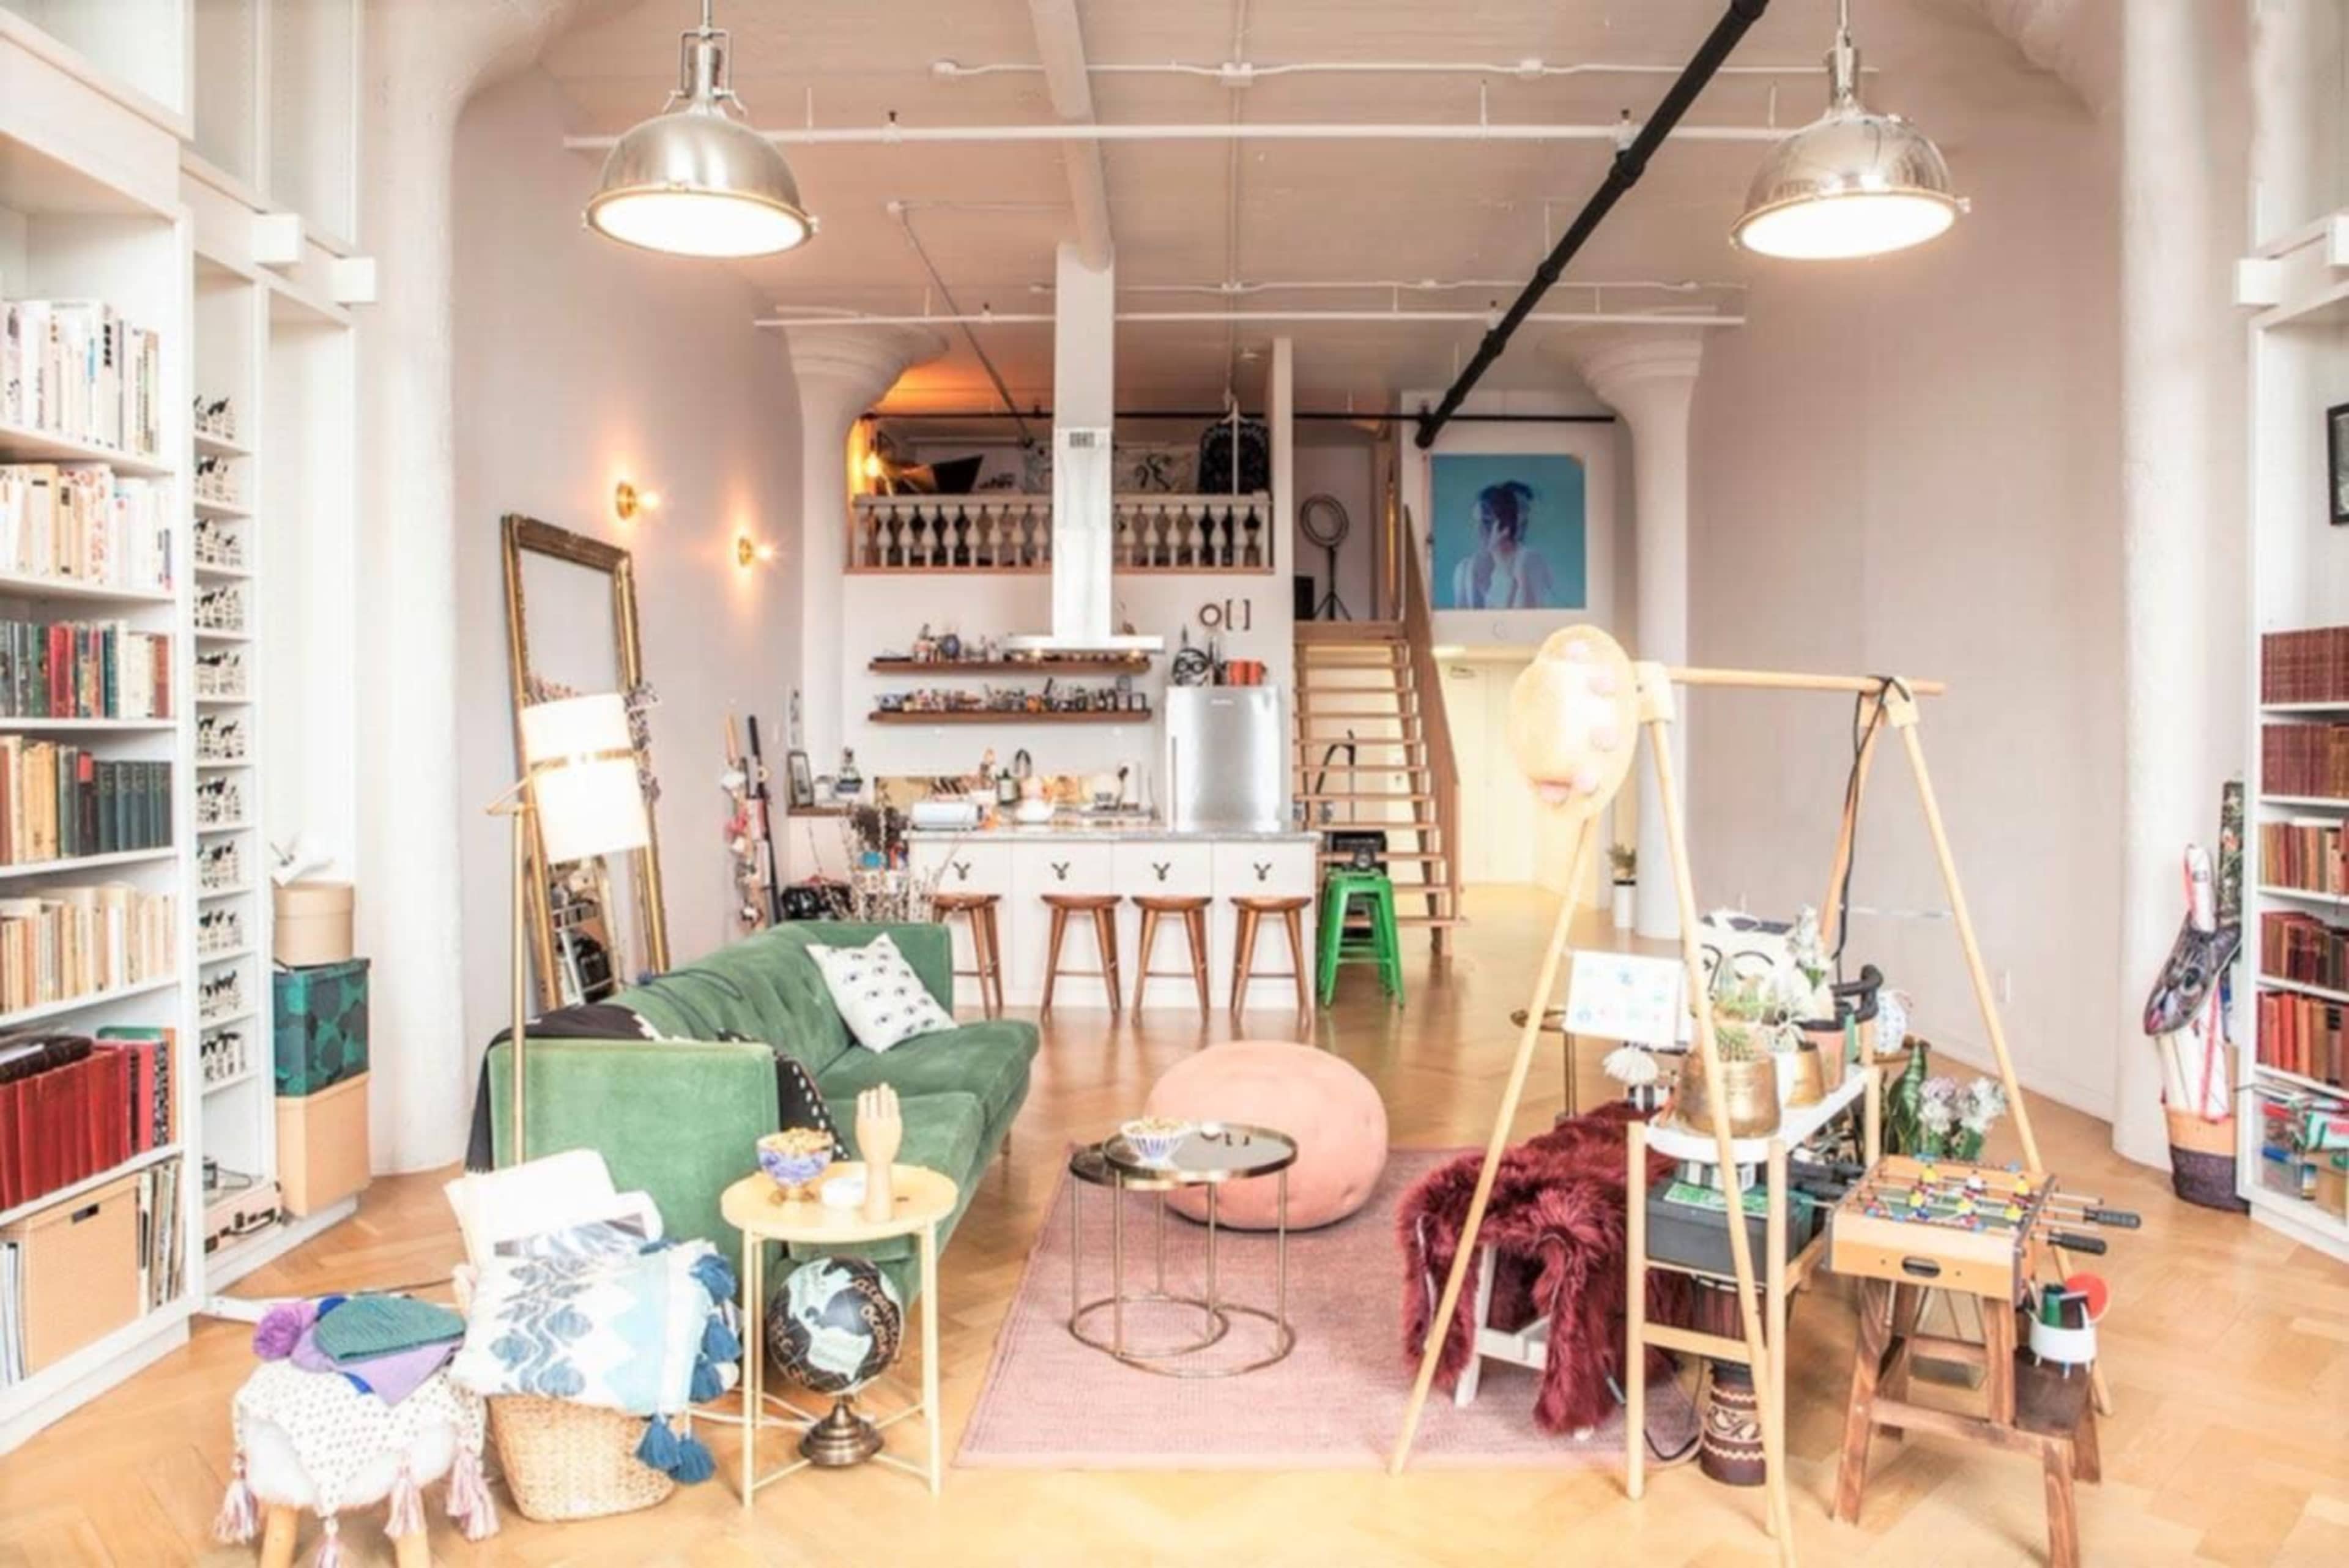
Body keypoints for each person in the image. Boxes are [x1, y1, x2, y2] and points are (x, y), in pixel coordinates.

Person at [1452, 480, 1555, 609]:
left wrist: (1503, 575)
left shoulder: (1528, 560)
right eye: (1477, 522)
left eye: (1486, 521)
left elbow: (1526, 620)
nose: (1478, 530)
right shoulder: (1465, 569)